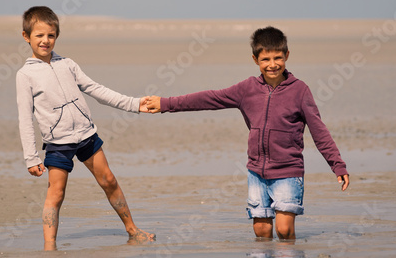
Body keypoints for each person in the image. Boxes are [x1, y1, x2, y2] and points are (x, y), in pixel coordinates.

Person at [146, 26, 349, 241]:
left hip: (288, 171)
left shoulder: (300, 91)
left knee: (284, 230)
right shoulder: (247, 89)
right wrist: (165, 103)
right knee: (261, 233)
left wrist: (337, 164)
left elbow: (319, 131)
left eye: (278, 58)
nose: (272, 65)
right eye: (266, 59)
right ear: (255, 59)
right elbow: (210, 98)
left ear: (287, 56)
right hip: (256, 173)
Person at [16, 6, 155, 250]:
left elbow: (97, 90)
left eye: (50, 35)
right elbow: (25, 118)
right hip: (58, 143)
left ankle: (132, 229)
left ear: (56, 36)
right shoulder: (25, 75)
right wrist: (31, 157)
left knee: (109, 180)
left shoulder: (68, 64)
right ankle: (50, 248)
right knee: (56, 195)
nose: (45, 41)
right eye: (39, 36)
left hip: (86, 135)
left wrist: (134, 104)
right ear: (27, 37)